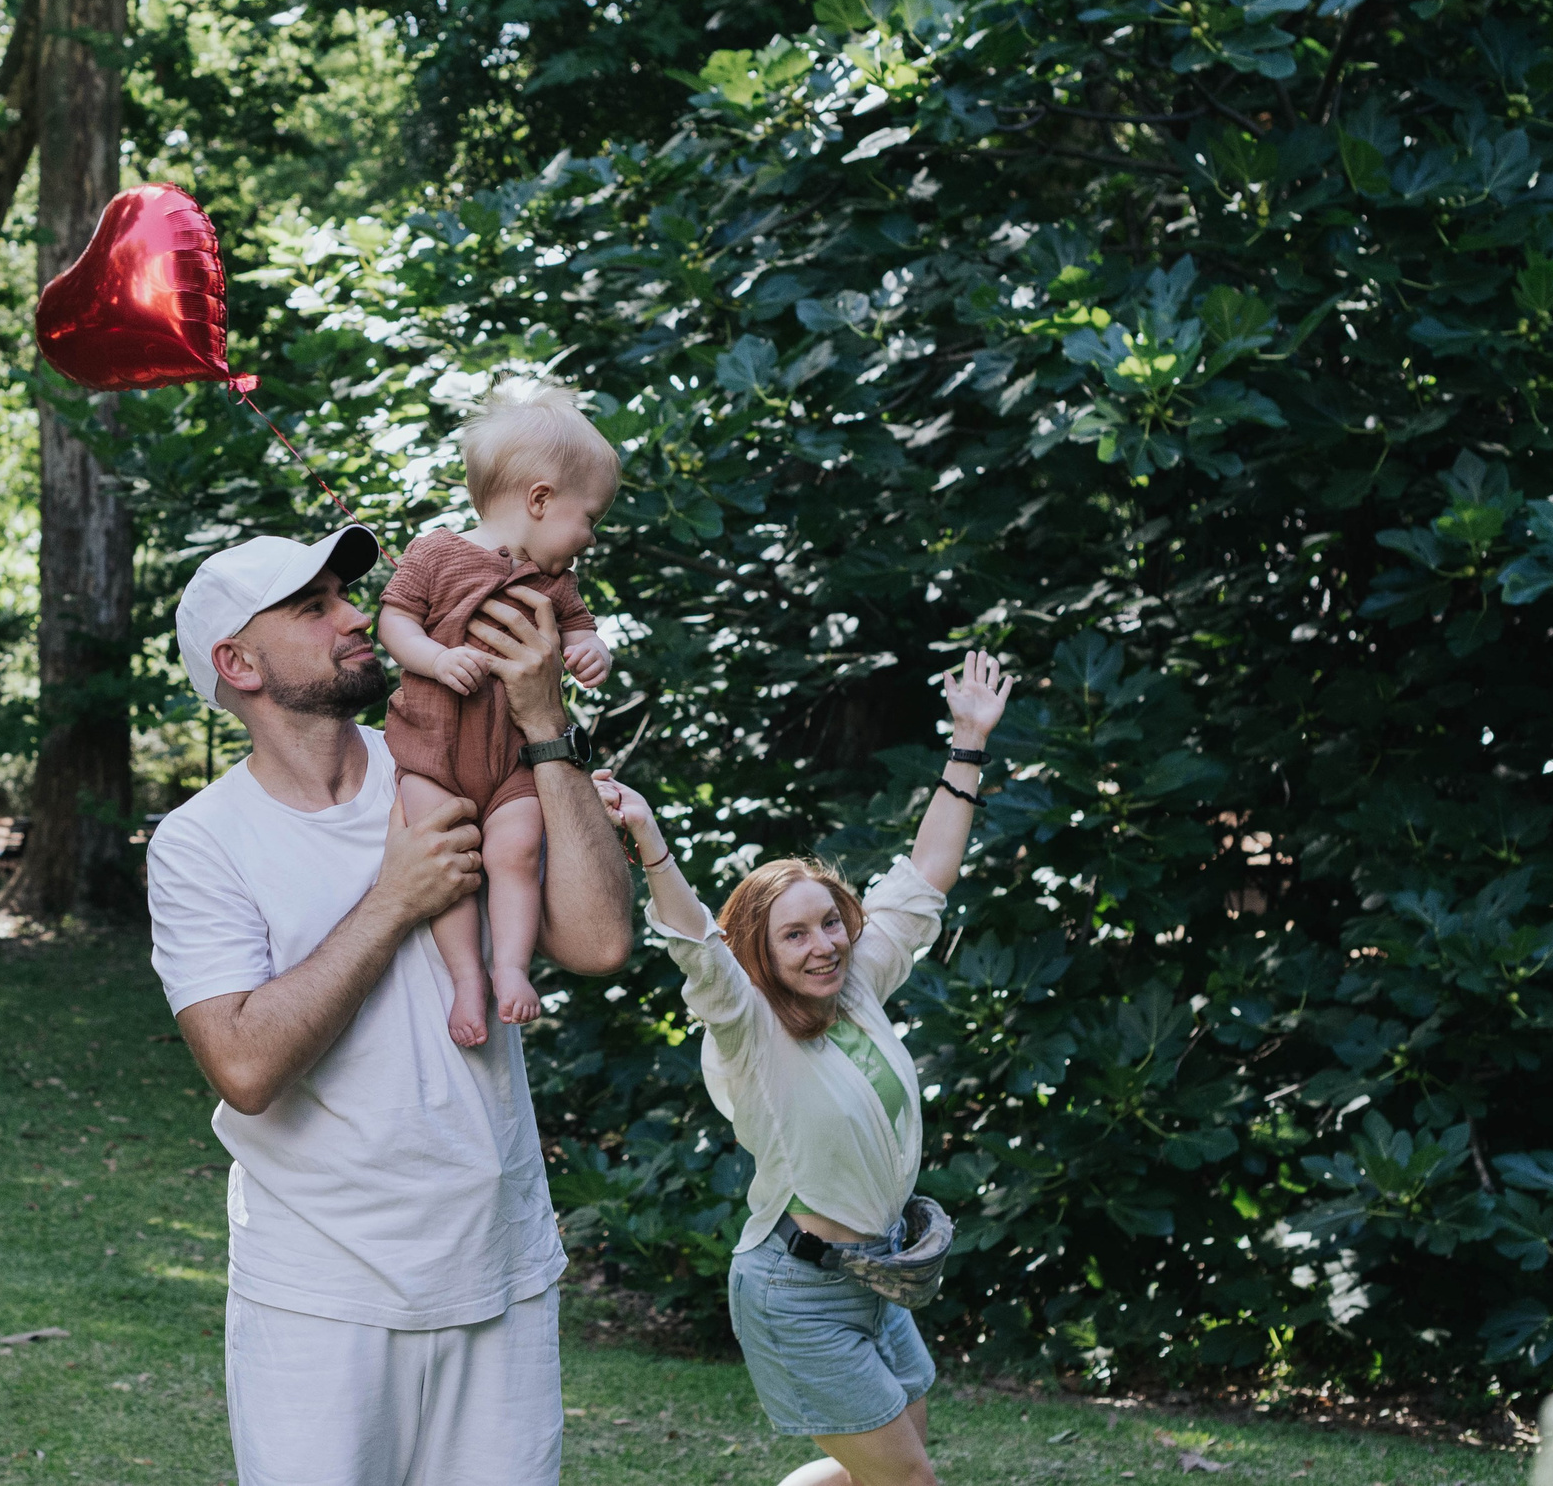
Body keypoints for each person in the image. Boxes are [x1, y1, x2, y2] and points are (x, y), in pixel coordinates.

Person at [146, 522, 633, 1486]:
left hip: (498, 1274)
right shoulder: (202, 844)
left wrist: (543, 727)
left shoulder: (448, 762)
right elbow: (243, 1067)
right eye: (312, 606)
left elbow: (598, 941)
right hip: (318, 1295)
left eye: (345, 594)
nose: (354, 615)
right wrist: (394, 898)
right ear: (236, 662)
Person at [594, 651, 1013, 1486]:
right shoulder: (747, 1027)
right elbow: (695, 948)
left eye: (830, 921)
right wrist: (650, 844)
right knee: (909, 1482)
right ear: (760, 949)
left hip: (878, 1272)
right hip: (799, 1290)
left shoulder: (856, 981)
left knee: (885, 1465)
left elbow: (927, 875)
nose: (823, 944)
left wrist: (968, 742)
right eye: (796, 933)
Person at [375, 382, 617, 1046]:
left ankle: (510, 966)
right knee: (447, 866)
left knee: (517, 848)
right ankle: (466, 979)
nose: (592, 535)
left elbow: (579, 631)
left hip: (511, 763)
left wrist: (589, 651)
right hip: (434, 754)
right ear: (540, 499)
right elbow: (393, 619)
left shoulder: (555, 583)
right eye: (590, 516)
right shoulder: (435, 553)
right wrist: (430, 657)